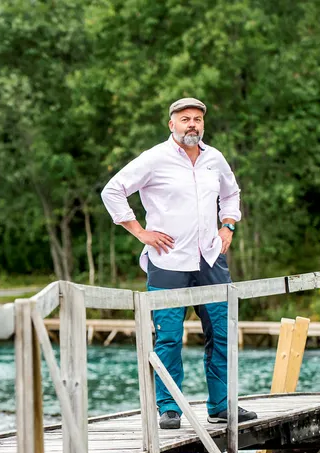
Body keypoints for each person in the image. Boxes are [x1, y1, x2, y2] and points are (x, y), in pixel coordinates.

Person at [100, 97, 257, 430]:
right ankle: (169, 408)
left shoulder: (214, 158)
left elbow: (232, 192)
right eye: (185, 119)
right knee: (168, 337)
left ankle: (222, 405)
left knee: (222, 333)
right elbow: (113, 191)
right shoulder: (154, 159)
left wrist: (228, 224)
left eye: (198, 119)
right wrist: (140, 231)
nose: (192, 124)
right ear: (172, 124)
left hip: (211, 258)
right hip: (168, 261)